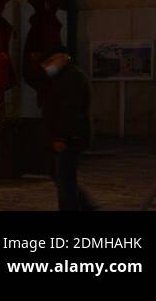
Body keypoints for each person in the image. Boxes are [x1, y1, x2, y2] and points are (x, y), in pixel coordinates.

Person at [41, 46, 96, 210]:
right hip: (65, 136)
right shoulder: (62, 78)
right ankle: (86, 207)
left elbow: (70, 110)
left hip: (70, 137)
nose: (47, 66)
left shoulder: (73, 78)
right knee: (62, 177)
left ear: (64, 58)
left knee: (65, 181)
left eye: (51, 61)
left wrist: (61, 137)